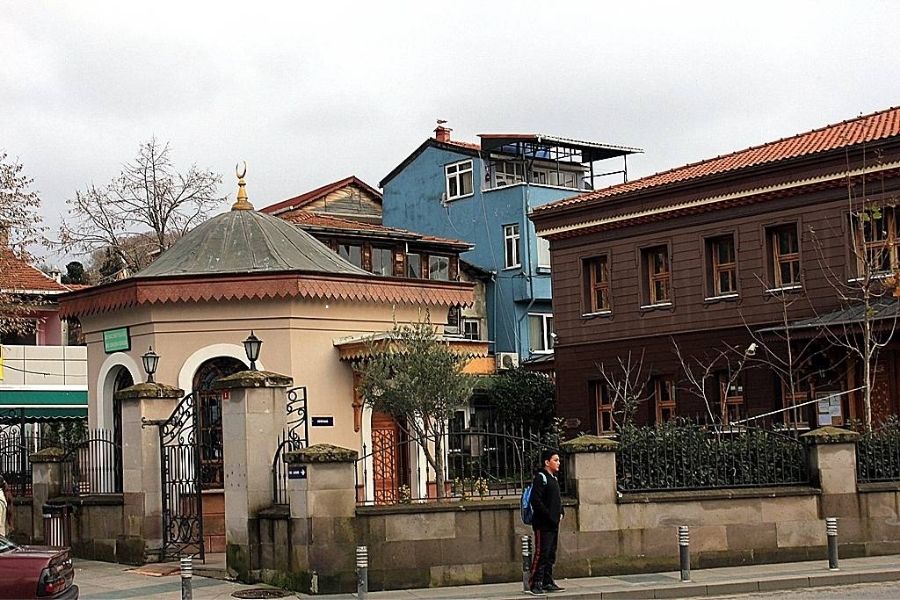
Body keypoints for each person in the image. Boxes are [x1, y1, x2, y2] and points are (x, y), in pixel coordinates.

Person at [528, 449, 564, 594]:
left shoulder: (553, 479)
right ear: (547, 462)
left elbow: (556, 500)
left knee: (551, 553)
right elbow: (535, 500)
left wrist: (561, 512)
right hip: (543, 524)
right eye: (555, 460)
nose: (558, 463)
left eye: (558, 460)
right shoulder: (540, 478)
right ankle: (535, 582)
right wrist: (548, 515)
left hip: (554, 523)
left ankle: (547, 581)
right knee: (541, 553)